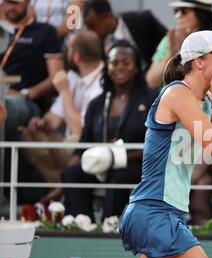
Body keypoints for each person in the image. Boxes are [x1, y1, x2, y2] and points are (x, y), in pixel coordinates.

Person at [119, 30, 212, 258]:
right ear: (199, 61)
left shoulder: (211, 102)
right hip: (154, 212)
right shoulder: (177, 92)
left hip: (160, 214)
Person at [61, 40, 157, 221]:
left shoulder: (151, 98)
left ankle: (110, 226)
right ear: (107, 67)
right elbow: (83, 144)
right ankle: (81, 224)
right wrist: (63, 180)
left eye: (126, 63)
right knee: (71, 174)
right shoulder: (97, 103)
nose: (119, 67)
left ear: (136, 68)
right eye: (114, 63)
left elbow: (157, 143)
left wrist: (116, 158)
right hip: (99, 164)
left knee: (119, 177)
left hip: (136, 164)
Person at [20, 31, 103, 206]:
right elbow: (53, 120)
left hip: (89, 146)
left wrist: (64, 92)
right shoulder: (72, 77)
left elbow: (80, 131)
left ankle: (63, 188)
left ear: (76, 56)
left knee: (72, 141)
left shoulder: (103, 80)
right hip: (68, 145)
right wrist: (41, 123)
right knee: (27, 136)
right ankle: (62, 185)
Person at [0, 0, 64, 140]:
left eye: (16, 3)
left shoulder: (45, 32)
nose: (11, 7)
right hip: (2, 93)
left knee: (4, 107)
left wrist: (26, 93)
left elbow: (56, 77)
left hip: (25, 100)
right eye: (7, 2)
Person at [145, 0, 212, 89]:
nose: (177, 16)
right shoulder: (171, 39)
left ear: (200, 15)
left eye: (183, 11)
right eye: (176, 11)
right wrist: (172, 52)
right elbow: (151, 81)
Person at [82, 0, 166, 71]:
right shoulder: (96, 43)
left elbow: (169, 43)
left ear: (109, 16)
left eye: (93, 25)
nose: (90, 32)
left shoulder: (143, 21)